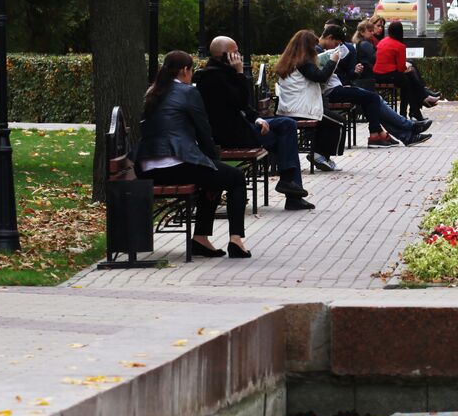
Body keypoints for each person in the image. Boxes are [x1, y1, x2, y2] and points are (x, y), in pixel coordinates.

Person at [135, 51, 251, 259]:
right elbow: (203, 131)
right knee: (235, 178)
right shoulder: (188, 93)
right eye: (191, 71)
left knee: (212, 178)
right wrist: (213, 161)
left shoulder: (153, 92)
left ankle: (200, 239)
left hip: (147, 168)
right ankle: (236, 240)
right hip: (175, 164)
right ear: (185, 71)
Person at [192, 37, 312, 211]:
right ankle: (291, 189)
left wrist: (257, 118)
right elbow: (240, 99)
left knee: (287, 124)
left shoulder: (225, 71)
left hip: (242, 127)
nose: (239, 55)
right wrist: (240, 73)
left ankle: (288, 183)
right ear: (224, 55)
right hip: (231, 135)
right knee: (283, 138)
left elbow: (244, 106)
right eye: (235, 52)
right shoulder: (210, 77)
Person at [318, 23, 432, 146]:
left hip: (337, 87)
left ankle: (404, 135)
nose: (335, 47)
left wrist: (353, 73)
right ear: (329, 37)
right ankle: (404, 129)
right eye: (335, 44)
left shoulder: (323, 50)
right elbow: (322, 76)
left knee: (374, 99)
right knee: (374, 98)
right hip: (332, 91)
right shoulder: (318, 51)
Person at [275, 29, 345, 172]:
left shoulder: (289, 60)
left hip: (289, 107)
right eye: (313, 47)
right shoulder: (303, 62)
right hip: (302, 109)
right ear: (307, 46)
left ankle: (320, 154)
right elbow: (320, 77)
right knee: (339, 122)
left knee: (328, 121)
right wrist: (332, 61)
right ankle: (320, 155)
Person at [374, 20, 441, 121]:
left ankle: (418, 105)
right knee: (408, 80)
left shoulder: (383, 42)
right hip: (388, 75)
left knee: (410, 75)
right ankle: (413, 107)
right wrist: (408, 67)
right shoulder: (400, 46)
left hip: (377, 74)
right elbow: (401, 68)